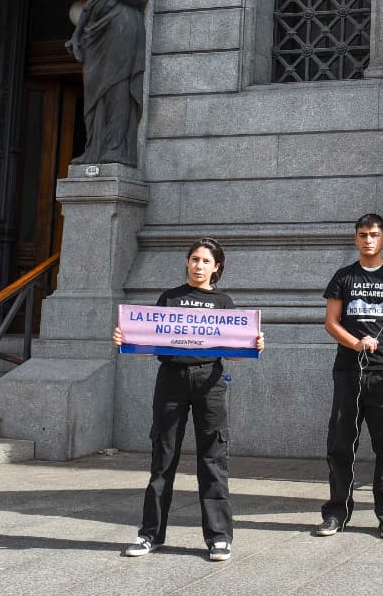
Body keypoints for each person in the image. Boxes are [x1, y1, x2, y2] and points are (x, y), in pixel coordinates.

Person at [115, 239, 263, 562]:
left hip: (210, 382)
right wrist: (127, 337)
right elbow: (150, 341)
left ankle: (219, 537)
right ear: (187, 262)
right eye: (194, 259)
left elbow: (233, 353)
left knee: (213, 459)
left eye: (206, 261)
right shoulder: (170, 298)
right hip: (171, 380)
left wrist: (252, 345)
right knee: (163, 458)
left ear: (216, 267)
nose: (198, 265)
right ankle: (150, 534)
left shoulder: (223, 303)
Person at [314, 213, 383, 539]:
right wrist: (356, 343)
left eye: (374, 234)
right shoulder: (343, 277)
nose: (368, 240)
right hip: (349, 373)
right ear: (355, 238)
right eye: (362, 235)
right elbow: (331, 322)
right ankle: (336, 513)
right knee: (340, 446)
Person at [68, 0, 152, 167]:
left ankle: (116, 148)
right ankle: (94, 148)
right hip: (96, 28)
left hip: (123, 23)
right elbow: (90, 3)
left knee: (117, 84)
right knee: (93, 86)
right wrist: (77, 34)